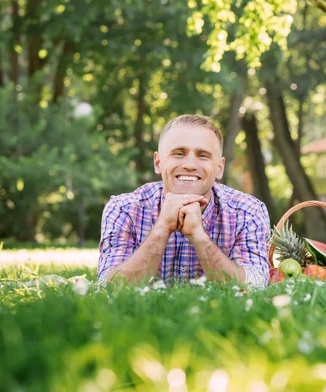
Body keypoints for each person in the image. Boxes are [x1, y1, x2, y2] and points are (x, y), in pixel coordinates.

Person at [98, 114, 271, 287]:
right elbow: (110, 288)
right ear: (158, 163)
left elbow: (253, 287)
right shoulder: (123, 209)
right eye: (179, 153)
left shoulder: (249, 212)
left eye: (203, 155)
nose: (189, 164)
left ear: (219, 168)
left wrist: (199, 236)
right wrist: (162, 228)